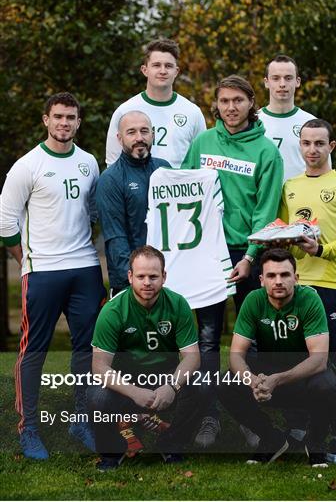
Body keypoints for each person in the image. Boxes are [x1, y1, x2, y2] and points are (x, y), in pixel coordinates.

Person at [0, 92, 106, 459]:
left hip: (85, 269)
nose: (64, 123)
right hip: (42, 270)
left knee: (88, 349)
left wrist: (82, 250)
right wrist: (26, 259)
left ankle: (83, 419)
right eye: (58, 116)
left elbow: (93, 212)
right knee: (35, 350)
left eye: (71, 117)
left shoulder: (89, 162)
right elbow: (6, 221)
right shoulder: (27, 165)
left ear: (79, 122)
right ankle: (28, 428)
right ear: (46, 119)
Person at [181, 75, 283, 446]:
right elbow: (184, 192)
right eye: (224, 101)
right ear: (216, 105)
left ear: (251, 102)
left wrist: (252, 257)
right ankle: (209, 417)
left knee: (249, 340)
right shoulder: (203, 142)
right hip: (205, 253)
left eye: (238, 100)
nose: (230, 107)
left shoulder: (266, 152)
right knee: (207, 339)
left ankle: (250, 417)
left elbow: (266, 211)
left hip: (245, 254)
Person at [279, 118, 336, 455]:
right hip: (294, 286)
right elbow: (284, 230)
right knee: (296, 358)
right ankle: (299, 427)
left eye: (319, 144)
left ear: (330, 147)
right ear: (299, 146)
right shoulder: (290, 185)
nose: (312, 150)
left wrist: (324, 249)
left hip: (329, 284)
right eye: (306, 143)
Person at [220, 248, 336, 467]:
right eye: (271, 275)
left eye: (285, 275)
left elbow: (319, 359)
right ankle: (271, 438)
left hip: (303, 377)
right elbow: (236, 355)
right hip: (267, 375)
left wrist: (276, 380)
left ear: (296, 277)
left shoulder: (310, 299)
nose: (278, 281)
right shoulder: (253, 300)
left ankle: (315, 443)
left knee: (327, 385)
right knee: (226, 383)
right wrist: (254, 381)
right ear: (261, 280)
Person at [88, 245, 202, 471]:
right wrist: (134, 391)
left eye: (153, 276)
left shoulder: (178, 304)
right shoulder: (113, 310)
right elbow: (99, 367)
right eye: (141, 276)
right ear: (130, 277)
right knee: (97, 396)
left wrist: (172, 386)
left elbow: (192, 357)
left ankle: (170, 443)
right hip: (125, 380)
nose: (147, 282)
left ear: (164, 277)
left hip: (164, 377)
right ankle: (113, 451)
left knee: (203, 385)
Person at [97, 111, 169, 297]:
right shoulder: (111, 179)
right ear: (120, 138)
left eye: (144, 131)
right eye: (131, 132)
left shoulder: (166, 170)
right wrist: (136, 280)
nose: (139, 138)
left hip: (166, 278)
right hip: (130, 283)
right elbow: (115, 237)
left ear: (153, 134)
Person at [106, 39, 206, 168]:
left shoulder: (193, 112)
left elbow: (202, 161)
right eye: (156, 65)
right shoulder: (125, 111)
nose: (163, 71)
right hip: (138, 187)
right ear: (144, 70)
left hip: (177, 186)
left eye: (168, 66)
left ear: (176, 71)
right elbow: (112, 162)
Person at [258, 54, 316, 181]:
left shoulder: (312, 123)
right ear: (266, 82)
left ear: (297, 82)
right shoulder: (252, 122)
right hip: (262, 199)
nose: (282, 84)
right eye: (276, 78)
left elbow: (324, 171)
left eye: (288, 78)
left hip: (301, 199)